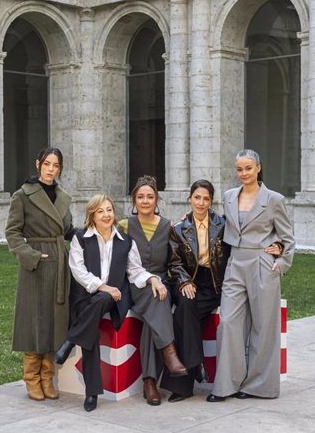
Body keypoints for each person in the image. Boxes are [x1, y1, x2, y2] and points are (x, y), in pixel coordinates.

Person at [53, 194, 187, 412]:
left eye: (109, 210)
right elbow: (78, 270)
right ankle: (92, 392)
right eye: (100, 211)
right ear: (92, 216)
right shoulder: (81, 237)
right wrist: (101, 286)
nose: (106, 215)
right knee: (91, 332)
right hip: (87, 296)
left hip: (114, 299)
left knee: (105, 299)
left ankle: (70, 340)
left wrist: (152, 278)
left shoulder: (125, 242)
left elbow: (135, 271)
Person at [207, 149, 295, 402]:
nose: (243, 173)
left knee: (263, 326)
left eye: (248, 168)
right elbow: (222, 224)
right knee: (228, 323)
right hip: (235, 262)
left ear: (258, 167)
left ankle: (259, 386)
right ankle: (225, 385)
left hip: (262, 263)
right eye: (239, 169)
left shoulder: (274, 199)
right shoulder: (229, 196)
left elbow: (287, 237)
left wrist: (280, 262)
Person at [5, 147, 73, 401]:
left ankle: (48, 377)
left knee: (54, 320)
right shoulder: (22, 195)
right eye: (47, 164)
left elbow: (67, 230)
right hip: (36, 264)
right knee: (34, 319)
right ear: (38, 164)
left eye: (56, 165)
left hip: (58, 263)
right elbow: (12, 232)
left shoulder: (63, 196)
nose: (51, 169)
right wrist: (31, 256)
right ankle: (31, 378)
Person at [159, 179, 230, 402]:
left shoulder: (223, 224)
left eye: (206, 198)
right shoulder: (179, 229)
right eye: (197, 197)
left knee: (182, 315)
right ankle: (196, 363)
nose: (201, 203)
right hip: (189, 280)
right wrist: (183, 281)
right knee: (185, 304)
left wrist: (277, 247)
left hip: (214, 282)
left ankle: (183, 385)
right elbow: (174, 261)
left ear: (211, 201)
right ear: (190, 198)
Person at [117, 175, 176, 406]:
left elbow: (177, 259)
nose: (145, 201)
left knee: (157, 301)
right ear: (134, 200)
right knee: (157, 301)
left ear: (156, 199)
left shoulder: (168, 226)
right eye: (140, 197)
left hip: (161, 283)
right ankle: (169, 353)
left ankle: (149, 381)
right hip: (135, 284)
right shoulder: (124, 226)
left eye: (150, 196)